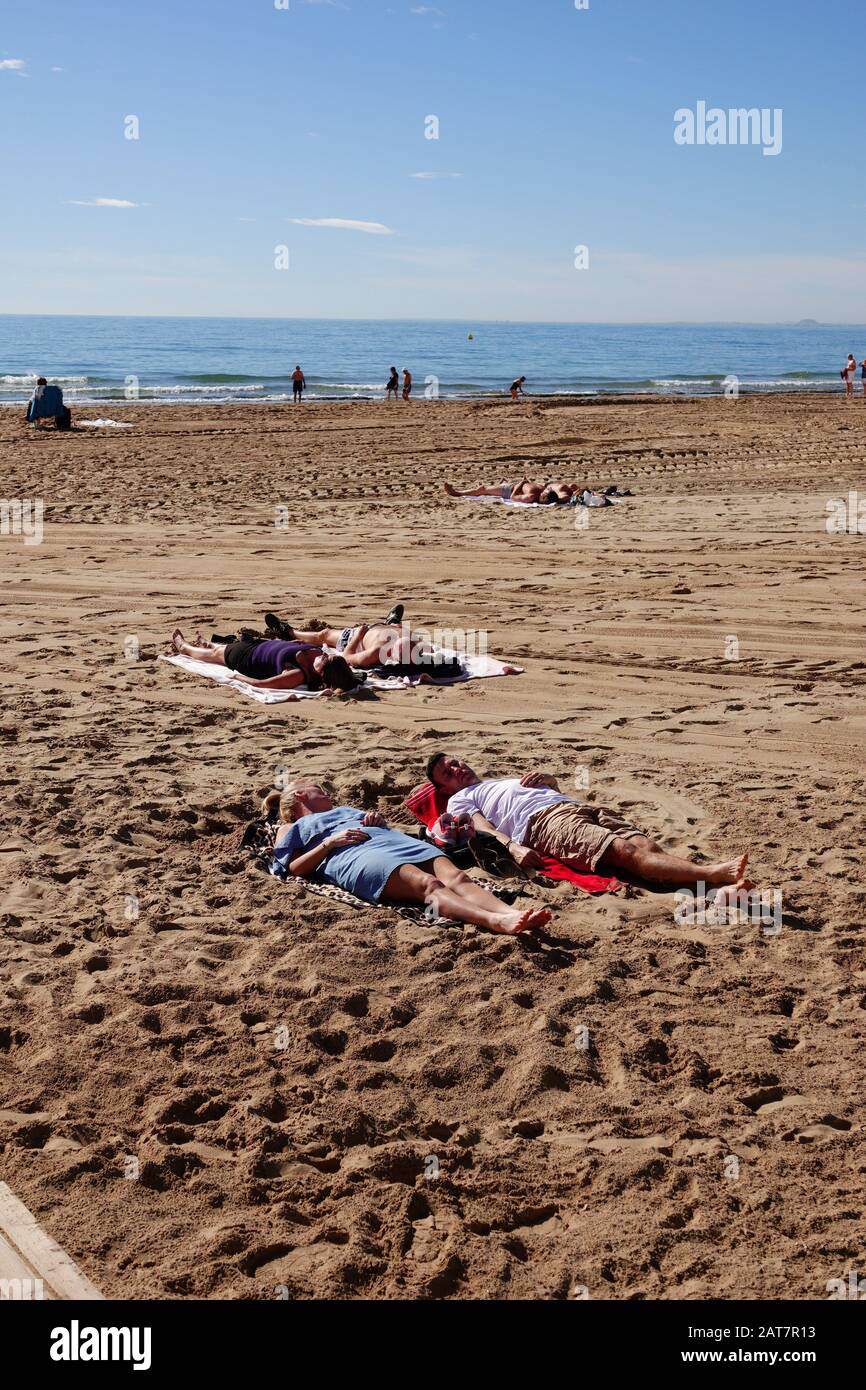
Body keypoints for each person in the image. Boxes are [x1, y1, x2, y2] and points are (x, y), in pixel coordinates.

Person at [425, 752, 753, 901]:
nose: (457, 769)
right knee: (625, 854)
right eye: (447, 773)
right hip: (544, 824)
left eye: (455, 762)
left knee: (648, 849)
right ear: (444, 789)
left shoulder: (495, 781)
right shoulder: (460, 801)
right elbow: (482, 828)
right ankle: (712, 873)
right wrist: (513, 846)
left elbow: (548, 789)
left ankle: (713, 891)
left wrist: (551, 781)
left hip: (577, 806)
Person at [264, 780, 552, 935]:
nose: (326, 793)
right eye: (320, 789)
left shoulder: (346, 808)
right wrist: (329, 843)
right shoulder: (290, 827)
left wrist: (379, 823)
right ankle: (493, 921)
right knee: (429, 885)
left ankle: (509, 913)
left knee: (457, 877)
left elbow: (382, 827)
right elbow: (293, 868)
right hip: (351, 854)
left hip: (391, 841)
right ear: (301, 794)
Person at [170, 629, 364, 693]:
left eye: (325, 658)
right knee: (222, 647)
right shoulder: (316, 657)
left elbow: (261, 684)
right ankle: (207, 642)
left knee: (216, 655)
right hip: (263, 644)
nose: (323, 653)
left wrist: (237, 678)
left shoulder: (297, 675)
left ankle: (184, 647)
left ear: (321, 672)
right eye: (326, 654)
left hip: (248, 658)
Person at [443, 476, 545, 504]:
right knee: (487, 488)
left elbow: (513, 497)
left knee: (482, 489)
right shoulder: (543, 491)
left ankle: (456, 493)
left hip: (509, 490)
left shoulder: (530, 496)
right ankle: (502, 484)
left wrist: (522, 483)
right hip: (512, 486)